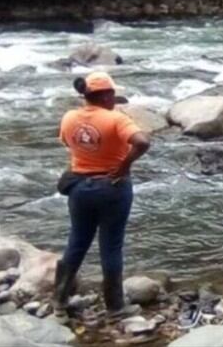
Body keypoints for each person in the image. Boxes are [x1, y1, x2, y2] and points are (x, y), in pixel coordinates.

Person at [53, 71, 151, 323]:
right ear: (106, 95)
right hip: (113, 187)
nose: (115, 98)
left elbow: (67, 142)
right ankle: (115, 307)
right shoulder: (116, 119)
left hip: (79, 188)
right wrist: (125, 165)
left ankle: (59, 303)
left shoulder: (70, 117)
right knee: (111, 246)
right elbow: (142, 142)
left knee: (77, 241)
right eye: (113, 94)